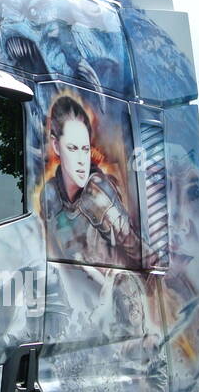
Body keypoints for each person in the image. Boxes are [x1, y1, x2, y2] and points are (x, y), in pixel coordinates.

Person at [40, 95, 140, 267]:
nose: (81, 160)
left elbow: (139, 254)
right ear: (56, 146)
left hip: (116, 288)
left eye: (85, 149)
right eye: (72, 148)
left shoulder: (98, 192)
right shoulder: (49, 195)